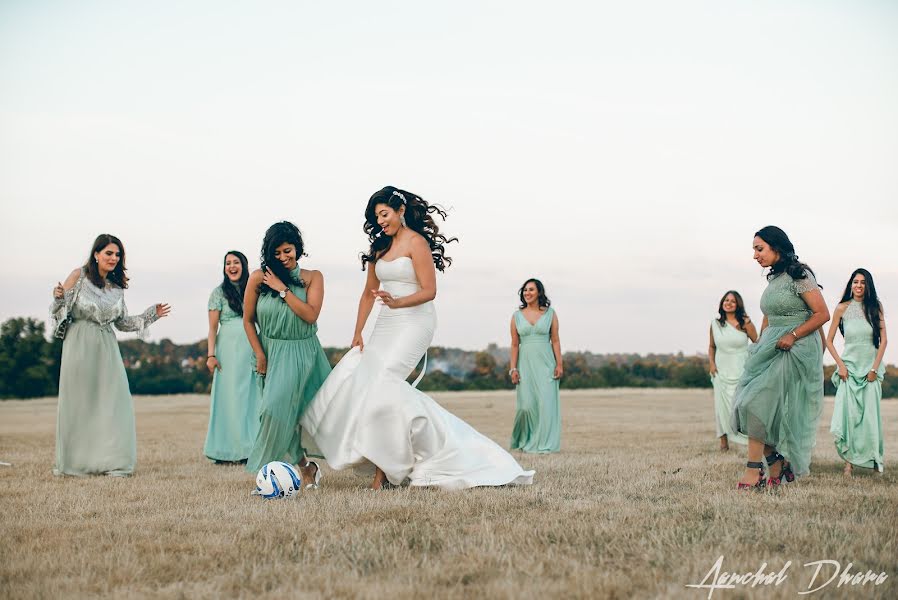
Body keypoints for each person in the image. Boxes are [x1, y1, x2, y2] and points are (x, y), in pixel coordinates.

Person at [301, 186, 535, 490]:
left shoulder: (417, 243)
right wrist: (358, 332)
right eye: (376, 217)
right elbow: (367, 294)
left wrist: (399, 302)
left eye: (384, 214)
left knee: (385, 387)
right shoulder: (379, 248)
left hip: (415, 322)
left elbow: (429, 291)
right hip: (386, 324)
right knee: (372, 391)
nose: (381, 221)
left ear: (400, 211)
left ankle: (384, 475)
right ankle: (390, 463)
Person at [50, 234, 170, 476]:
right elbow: (60, 311)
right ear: (96, 254)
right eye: (109, 253)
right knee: (80, 403)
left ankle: (113, 462)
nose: (114, 258)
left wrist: (150, 316)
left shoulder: (116, 289)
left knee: (114, 403)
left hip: (107, 347)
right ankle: (76, 463)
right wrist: (59, 297)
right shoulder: (79, 276)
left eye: (117, 255)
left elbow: (122, 323)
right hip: (79, 344)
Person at [731, 226, 829, 489]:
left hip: (795, 348)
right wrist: (760, 344)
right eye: (754, 249)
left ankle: (754, 472)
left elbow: (822, 314)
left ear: (777, 247)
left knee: (756, 403)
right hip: (770, 347)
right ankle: (775, 462)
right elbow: (768, 318)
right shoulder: (774, 279)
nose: (755, 256)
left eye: (759, 249)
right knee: (748, 404)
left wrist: (794, 335)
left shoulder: (801, 274)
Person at [243, 222, 331, 488]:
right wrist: (260, 354)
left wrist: (283, 289)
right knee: (279, 413)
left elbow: (310, 315)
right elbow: (247, 320)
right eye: (277, 253)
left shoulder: (313, 277)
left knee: (278, 410)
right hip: (269, 351)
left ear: (298, 248)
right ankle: (305, 469)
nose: (283, 257)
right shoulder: (259, 277)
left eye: (287, 251)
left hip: (302, 352)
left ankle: (264, 475)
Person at [826, 268, 887, 476]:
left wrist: (874, 368)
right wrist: (840, 366)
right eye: (855, 282)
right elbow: (829, 340)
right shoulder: (842, 308)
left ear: (867, 286)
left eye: (862, 282)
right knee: (849, 416)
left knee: (871, 417)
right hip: (849, 370)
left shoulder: (874, 307)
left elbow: (884, 341)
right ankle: (849, 462)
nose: (858, 286)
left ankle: (875, 460)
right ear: (851, 284)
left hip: (870, 370)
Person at [204, 250, 260, 464]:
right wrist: (211, 355)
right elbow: (212, 328)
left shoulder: (253, 289)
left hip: (251, 346)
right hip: (227, 350)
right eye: (228, 263)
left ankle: (251, 448)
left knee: (252, 398)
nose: (232, 266)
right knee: (229, 399)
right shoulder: (218, 293)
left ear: (243, 266)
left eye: (236, 262)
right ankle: (225, 451)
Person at [508, 278, 562, 453]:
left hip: (546, 364)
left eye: (531, 290)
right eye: (525, 290)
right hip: (525, 365)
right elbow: (515, 344)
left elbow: (555, 340)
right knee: (526, 406)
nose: (527, 293)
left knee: (546, 405)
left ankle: (544, 444)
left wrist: (559, 364)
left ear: (539, 292)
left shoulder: (550, 313)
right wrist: (513, 368)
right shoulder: (516, 316)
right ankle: (524, 440)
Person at [708, 291, 757, 451]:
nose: (728, 303)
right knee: (721, 407)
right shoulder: (715, 324)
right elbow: (712, 346)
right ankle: (723, 442)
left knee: (741, 407)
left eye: (733, 301)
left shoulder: (745, 323)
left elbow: (758, 344)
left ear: (738, 305)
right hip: (721, 370)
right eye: (726, 300)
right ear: (722, 303)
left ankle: (750, 440)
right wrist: (712, 364)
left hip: (742, 371)